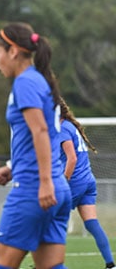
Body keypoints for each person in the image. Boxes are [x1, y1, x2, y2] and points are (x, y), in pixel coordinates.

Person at [0, 22, 72, 269]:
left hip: (34, 189)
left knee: (3, 264)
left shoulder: (25, 82)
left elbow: (41, 130)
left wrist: (44, 181)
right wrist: (13, 166)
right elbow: (35, 134)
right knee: (50, 266)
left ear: (13, 51)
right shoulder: (38, 80)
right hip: (57, 189)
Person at [59, 98, 116, 269]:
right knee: (92, 223)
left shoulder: (61, 129)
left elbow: (72, 158)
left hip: (74, 182)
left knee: (52, 220)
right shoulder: (70, 126)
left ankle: (51, 264)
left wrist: (62, 182)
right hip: (88, 181)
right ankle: (111, 264)